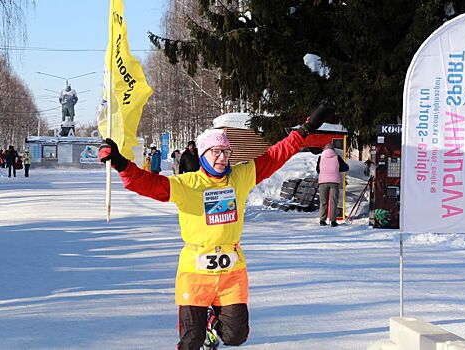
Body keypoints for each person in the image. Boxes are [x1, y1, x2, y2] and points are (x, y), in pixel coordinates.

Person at [99, 98, 335, 350]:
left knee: (236, 337)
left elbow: (275, 155)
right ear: (202, 155)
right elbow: (149, 184)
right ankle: (204, 327)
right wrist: (121, 164)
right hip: (195, 273)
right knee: (191, 342)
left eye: (226, 152)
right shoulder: (187, 184)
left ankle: (213, 323)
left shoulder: (241, 177)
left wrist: (305, 130)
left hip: (230, 273)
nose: (222, 158)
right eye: (216, 152)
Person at [316, 143, 349, 227]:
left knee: (323, 202)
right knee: (334, 202)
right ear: (333, 149)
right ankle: (333, 221)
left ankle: (322, 220)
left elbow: (318, 170)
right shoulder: (337, 157)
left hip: (323, 182)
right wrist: (337, 169)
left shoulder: (320, 158)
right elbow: (346, 167)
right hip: (334, 182)